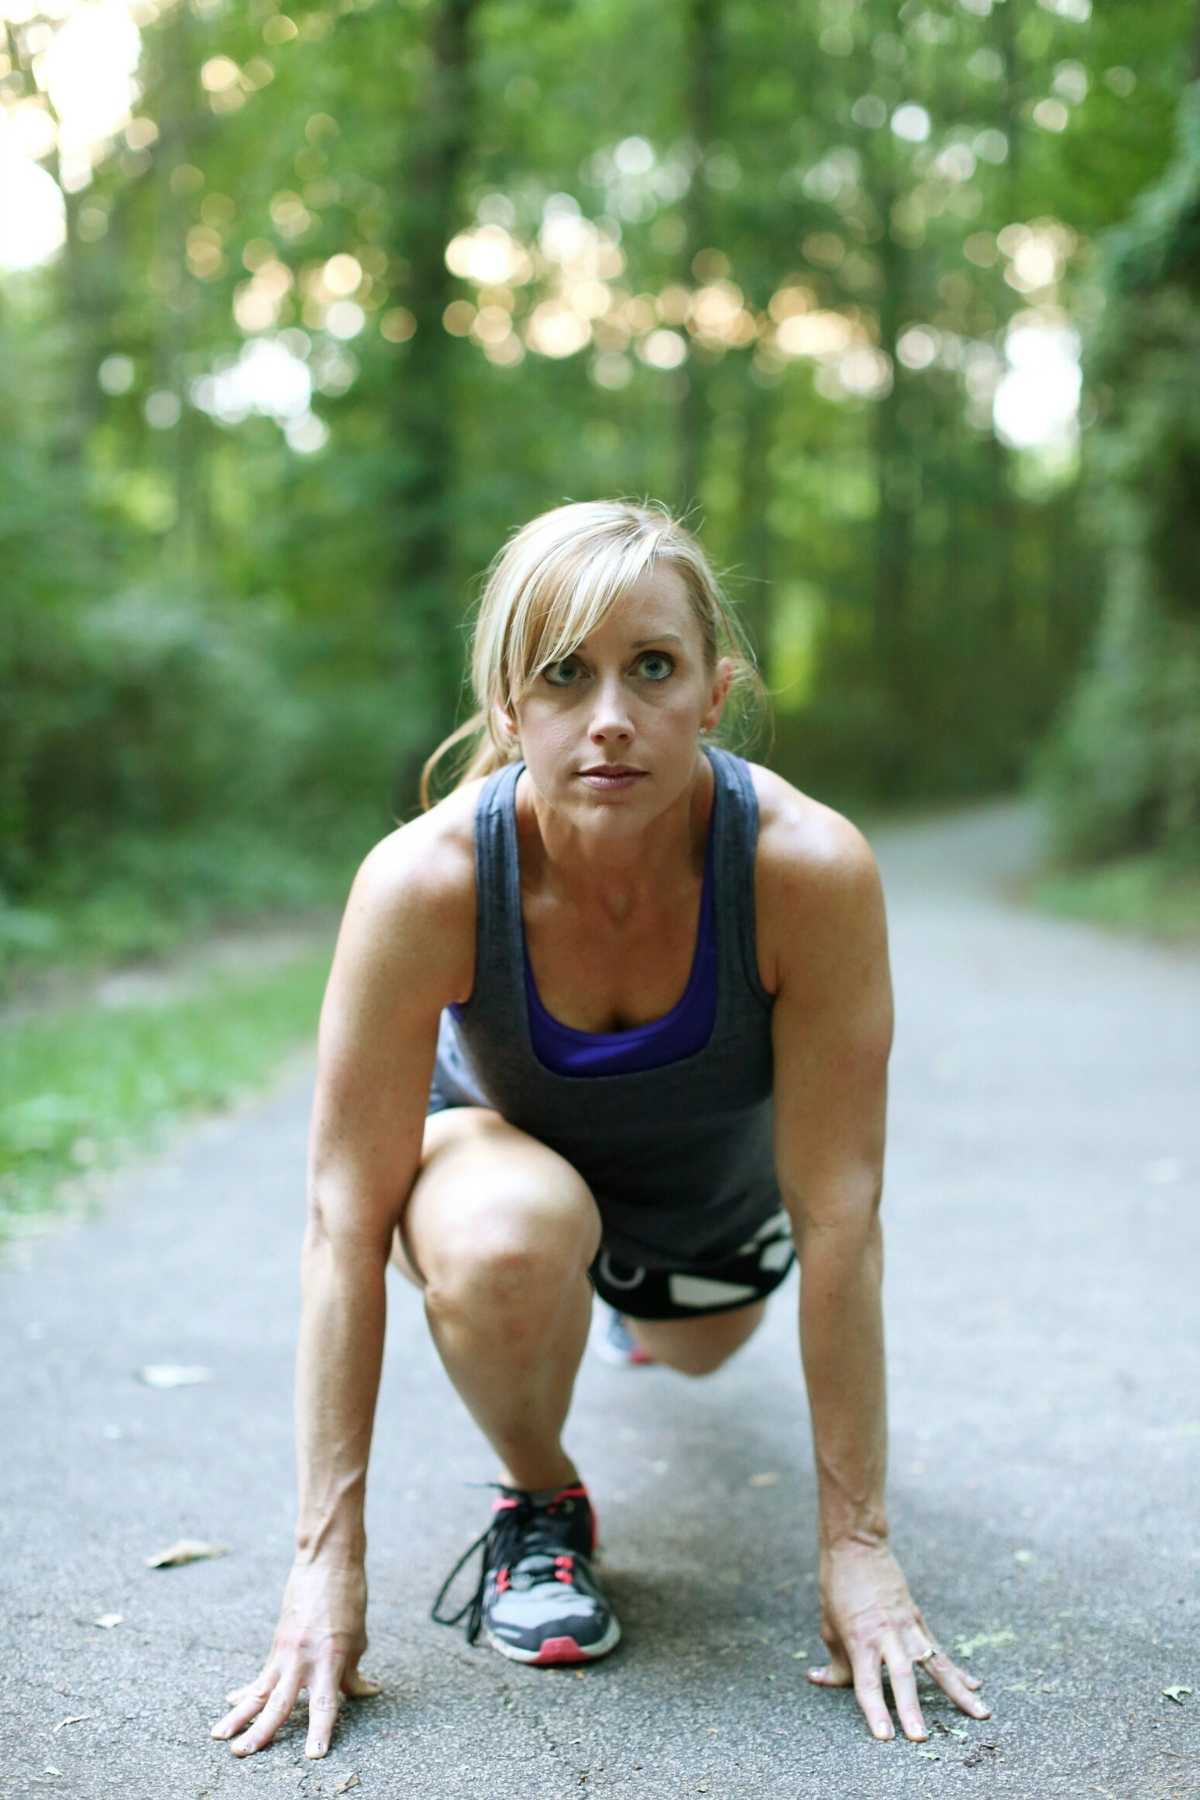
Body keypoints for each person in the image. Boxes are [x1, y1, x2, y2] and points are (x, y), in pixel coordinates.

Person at [209, 498, 991, 1760]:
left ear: (715, 694)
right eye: (565, 676)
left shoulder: (807, 868)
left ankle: (622, 1310)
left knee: (696, 1354)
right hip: (500, 1176)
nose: (611, 715)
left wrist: (858, 1550)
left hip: (711, 1210)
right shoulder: (426, 884)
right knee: (518, 1242)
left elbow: (840, 1214)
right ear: (512, 705)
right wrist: (319, 1568)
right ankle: (542, 1496)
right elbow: (342, 1228)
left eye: (653, 668)